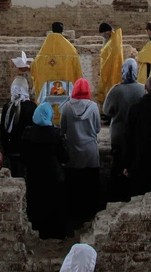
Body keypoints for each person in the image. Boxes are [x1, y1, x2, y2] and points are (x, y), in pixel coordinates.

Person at [21, 102, 69, 239]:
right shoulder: (56, 133)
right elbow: (65, 157)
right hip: (54, 176)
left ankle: (38, 232)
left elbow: (23, 155)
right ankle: (56, 233)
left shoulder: (28, 132)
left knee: (37, 205)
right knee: (55, 205)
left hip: (34, 176)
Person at [60, 78, 101, 224]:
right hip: (90, 152)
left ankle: (74, 218)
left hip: (73, 152)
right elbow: (98, 128)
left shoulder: (66, 107)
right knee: (90, 186)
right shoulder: (93, 107)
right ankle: (89, 216)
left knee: (74, 187)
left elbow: (63, 129)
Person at [103, 58, 144, 201]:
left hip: (119, 135)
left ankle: (117, 195)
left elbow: (107, 110)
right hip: (138, 134)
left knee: (118, 166)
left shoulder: (116, 90)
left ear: (123, 71)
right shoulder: (143, 89)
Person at [31, 22, 82, 107]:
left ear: (52, 29)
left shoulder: (44, 49)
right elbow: (76, 68)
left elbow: (35, 66)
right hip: (65, 88)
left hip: (47, 91)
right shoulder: (69, 49)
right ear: (62, 31)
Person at [0, 77, 36, 177]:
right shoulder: (32, 107)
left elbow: (2, 130)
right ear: (26, 89)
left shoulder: (7, 106)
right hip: (27, 150)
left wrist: (5, 148)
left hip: (10, 148)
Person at [98, 22, 123, 110]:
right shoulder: (113, 41)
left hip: (110, 74)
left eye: (102, 33)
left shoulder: (112, 44)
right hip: (113, 74)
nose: (102, 36)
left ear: (108, 32)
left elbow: (107, 63)